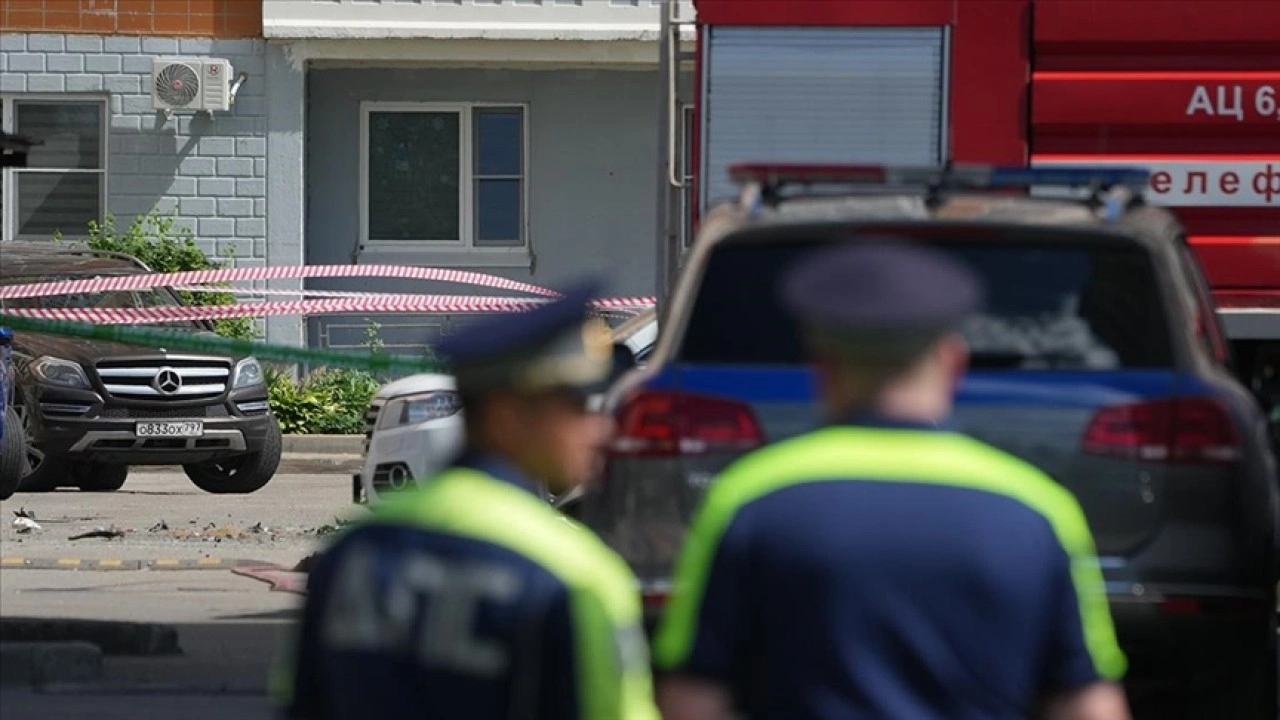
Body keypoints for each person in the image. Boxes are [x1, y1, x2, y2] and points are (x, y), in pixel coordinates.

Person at [652, 241, 1131, 720]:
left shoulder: (751, 498)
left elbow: (694, 699)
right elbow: (1085, 704)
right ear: (952, 361)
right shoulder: (1036, 509)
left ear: (823, 365)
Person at [273, 280, 660, 720]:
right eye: (577, 408)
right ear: (505, 419)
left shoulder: (355, 551)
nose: (601, 428)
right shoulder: (577, 574)